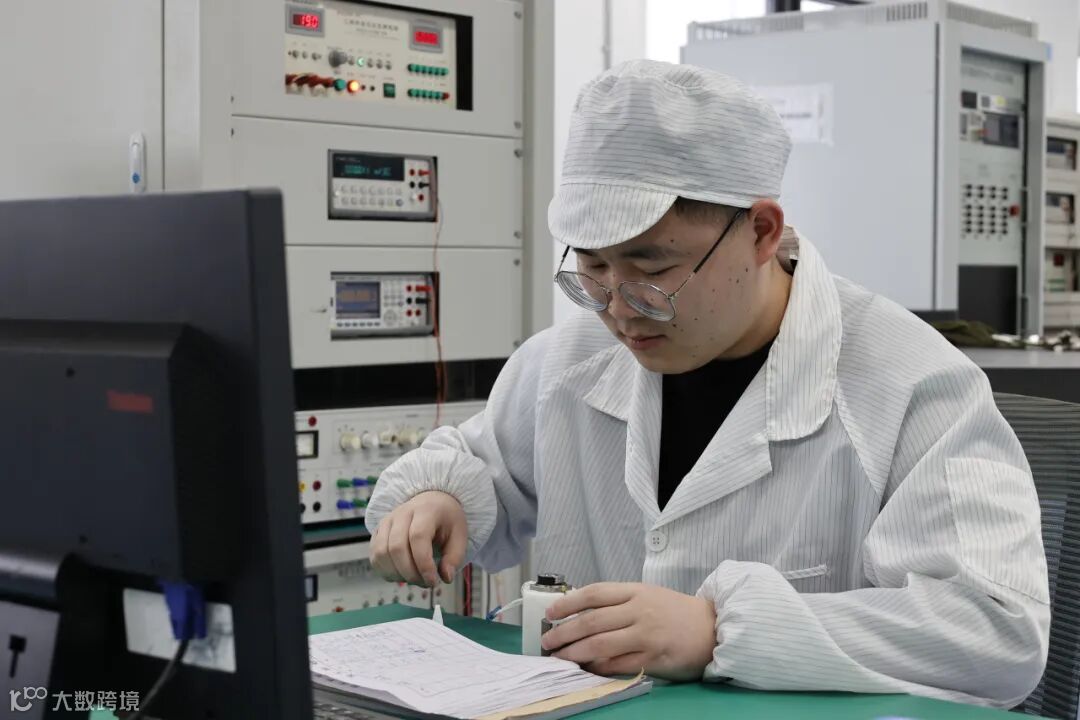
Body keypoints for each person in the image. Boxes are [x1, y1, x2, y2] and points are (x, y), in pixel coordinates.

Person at [365, 59, 1049, 707]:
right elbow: (482, 472)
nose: (619, 309)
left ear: (761, 231)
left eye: (652, 270)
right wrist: (440, 498)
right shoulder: (566, 362)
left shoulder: (913, 383)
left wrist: (719, 630)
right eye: (594, 268)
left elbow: (997, 630)